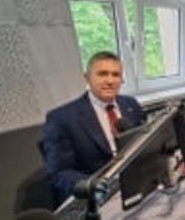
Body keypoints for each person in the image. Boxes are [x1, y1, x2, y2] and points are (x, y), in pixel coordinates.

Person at [43, 51, 145, 205]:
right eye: (102, 74)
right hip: (98, 197)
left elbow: (144, 143)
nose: (110, 81)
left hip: (136, 183)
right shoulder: (62, 118)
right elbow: (59, 173)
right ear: (87, 78)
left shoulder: (130, 104)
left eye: (116, 75)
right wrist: (93, 185)